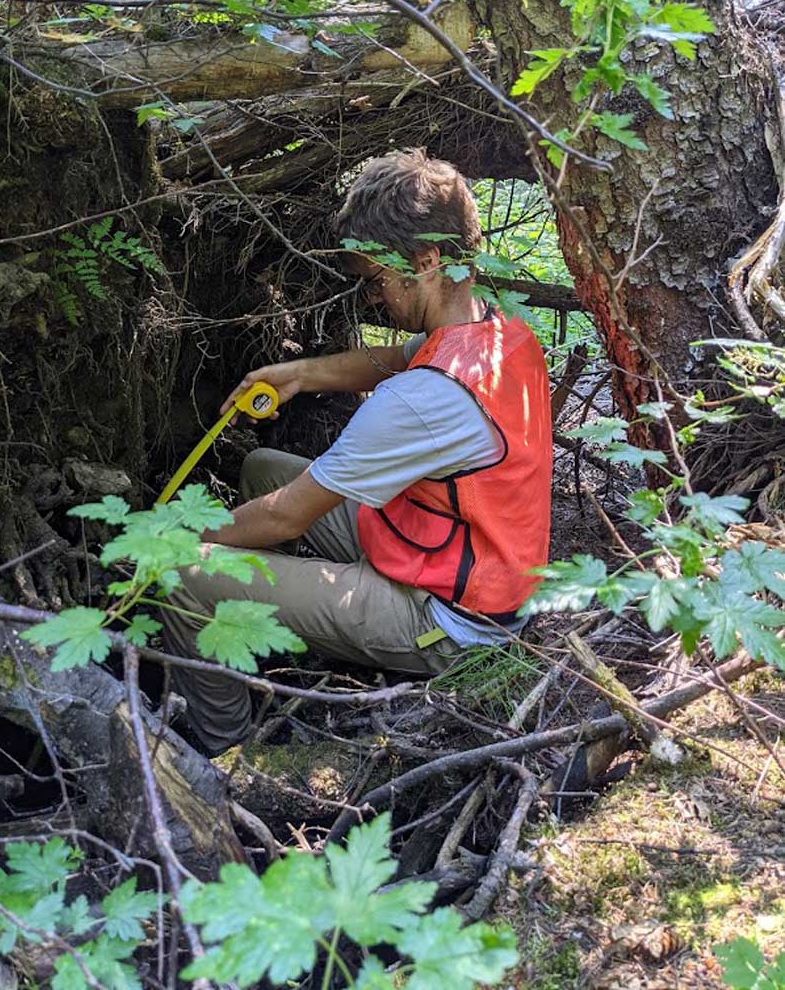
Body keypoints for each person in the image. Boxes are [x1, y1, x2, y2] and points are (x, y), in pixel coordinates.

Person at [161, 149, 553, 756]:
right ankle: (264, 627)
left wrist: (170, 537)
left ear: (425, 263)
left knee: (176, 573)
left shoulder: (422, 401)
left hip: (454, 622)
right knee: (260, 467)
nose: (372, 299)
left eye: (374, 280)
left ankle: (227, 750)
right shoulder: (500, 332)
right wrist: (300, 372)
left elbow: (289, 514)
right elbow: (401, 356)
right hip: (459, 555)